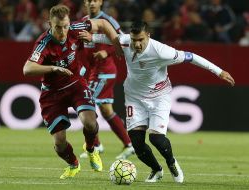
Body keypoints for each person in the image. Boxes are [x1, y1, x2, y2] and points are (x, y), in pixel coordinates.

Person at [78, 21, 235, 183]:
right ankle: (156, 170)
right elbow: (109, 38)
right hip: (134, 96)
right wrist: (92, 37)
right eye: (134, 40)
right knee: (137, 144)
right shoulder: (126, 41)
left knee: (156, 138)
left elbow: (191, 57)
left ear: (148, 36)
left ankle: (171, 162)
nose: (136, 44)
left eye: (140, 40)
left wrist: (219, 71)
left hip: (159, 96)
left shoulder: (162, 51)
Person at [23, 4, 122, 179]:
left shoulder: (76, 28)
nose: (63, 31)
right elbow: (27, 68)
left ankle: (91, 149)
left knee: (90, 122)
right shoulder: (43, 43)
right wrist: (53, 68)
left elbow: (104, 25)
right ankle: (73, 163)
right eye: (58, 27)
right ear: (49, 24)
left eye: (66, 26)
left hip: (76, 84)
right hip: (52, 94)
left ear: (70, 22)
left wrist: (116, 44)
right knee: (60, 144)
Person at [78, 0, 134, 160]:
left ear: (101, 2)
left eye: (95, 0)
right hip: (94, 72)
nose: (92, 3)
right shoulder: (83, 22)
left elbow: (123, 40)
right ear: (85, 2)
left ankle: (95, 145)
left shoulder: (108, 21)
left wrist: (107, 52)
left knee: (85, 102)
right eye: (89, 1)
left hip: (104, 71)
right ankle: (128, 144)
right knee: (106, 110)